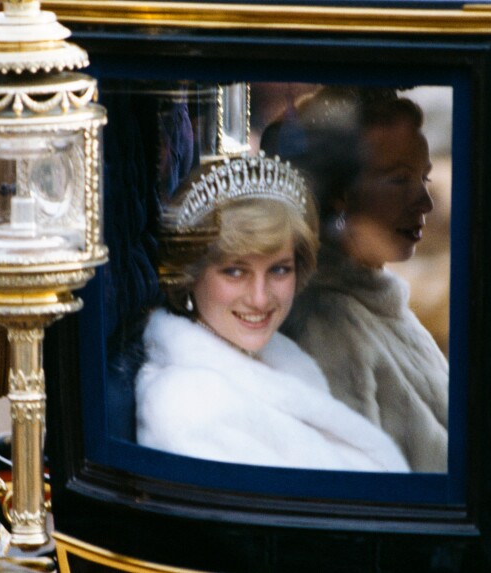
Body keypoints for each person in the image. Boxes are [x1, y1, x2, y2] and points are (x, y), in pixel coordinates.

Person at [135, 152, 409, 472]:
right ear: (190, 275)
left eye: (279, 270)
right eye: (235, 272)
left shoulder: (284, 361)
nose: (260, 298)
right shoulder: (185, 405)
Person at [263, 87, 449, 472]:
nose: (424, 203)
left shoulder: (375, 301)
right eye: (399, 180)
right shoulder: (328, 328)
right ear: (339, 196)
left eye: (423, 179)